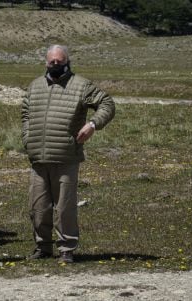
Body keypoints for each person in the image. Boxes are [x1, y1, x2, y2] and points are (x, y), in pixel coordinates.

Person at [21, 45, 115, 263]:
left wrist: (93, 124)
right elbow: (25, 113)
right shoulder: (35, 86)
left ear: (67, 62)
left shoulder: (81, 85)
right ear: (46, 62)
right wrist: (27, 137)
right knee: (38, 208)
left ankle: (66, 248)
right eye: (52, 62)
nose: (55, 65)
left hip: (66, 157)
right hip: (38, 157)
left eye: (59, 62)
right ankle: (43, 247)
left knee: (64, 208)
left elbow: (107, 104)